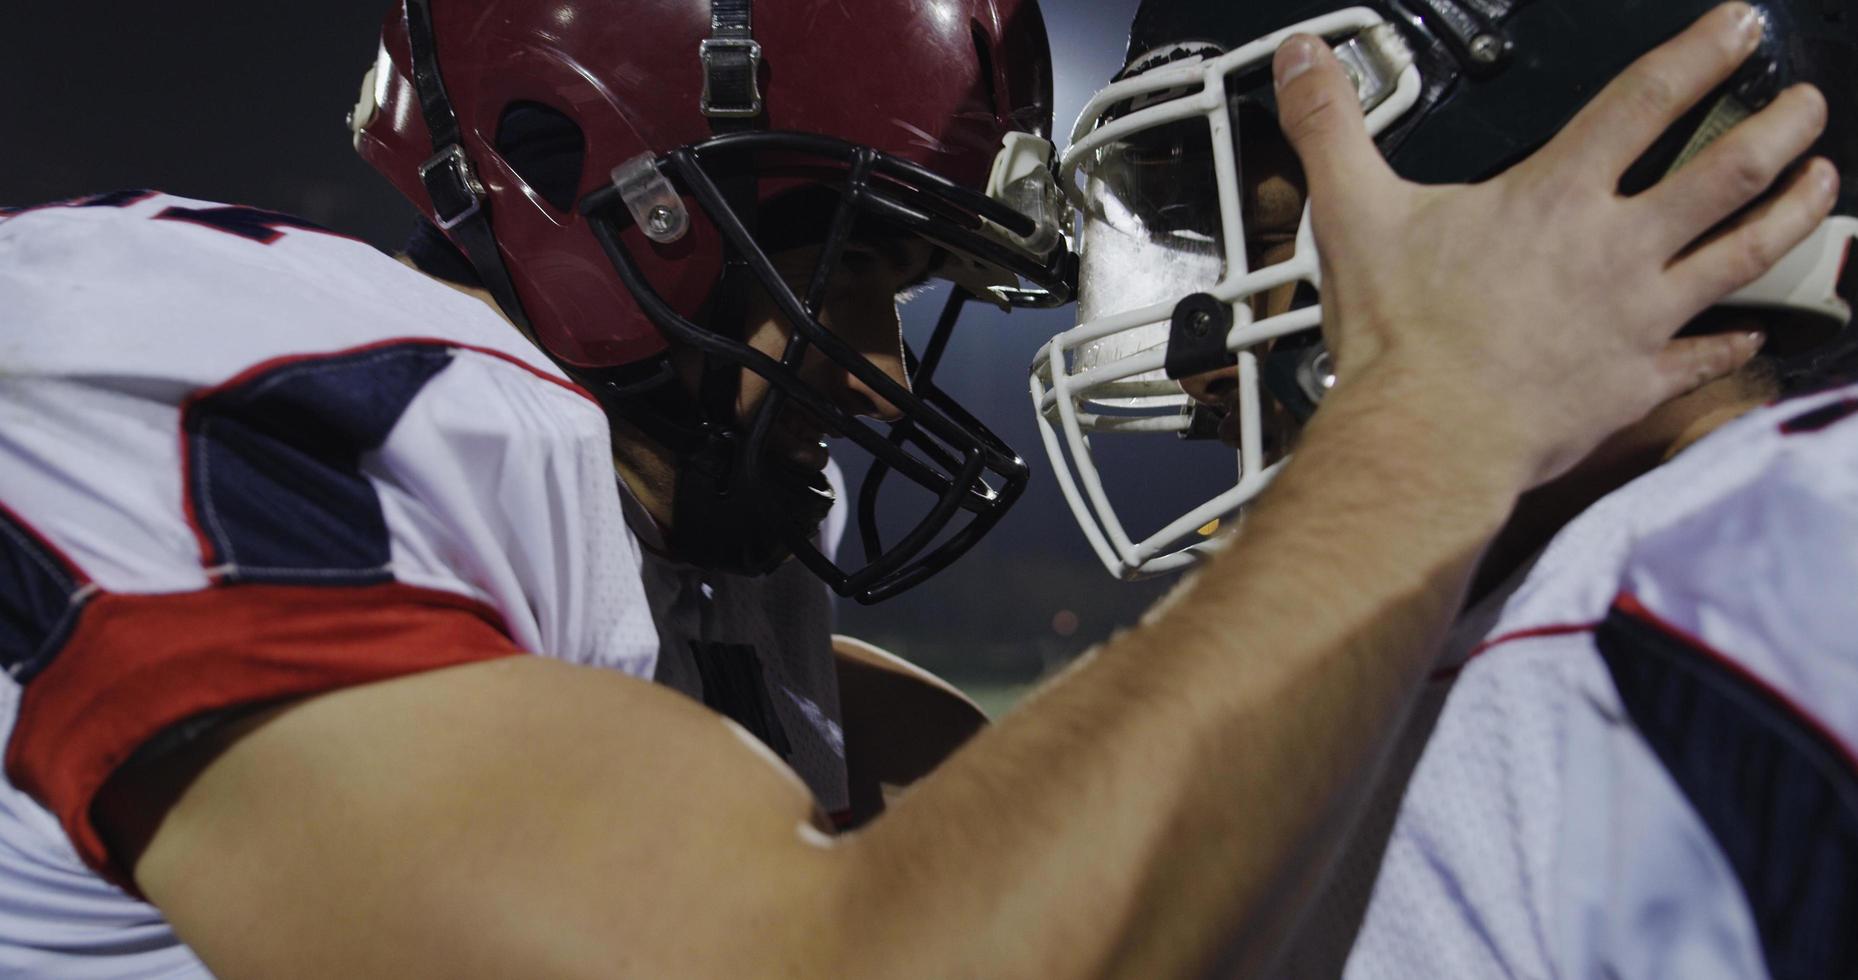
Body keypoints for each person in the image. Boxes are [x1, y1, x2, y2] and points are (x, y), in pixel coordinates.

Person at [0, 0, 1832, 976]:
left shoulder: (648, 610)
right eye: (855, 273)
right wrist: (1430, 419)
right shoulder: (248, 365)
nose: (877, 370)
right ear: (600, 184)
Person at [1039, 0, 1857, 974]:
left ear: (1553, 172)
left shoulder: (1771, 565)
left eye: (1264, 240)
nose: (1199, 362)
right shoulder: (1432, 629)